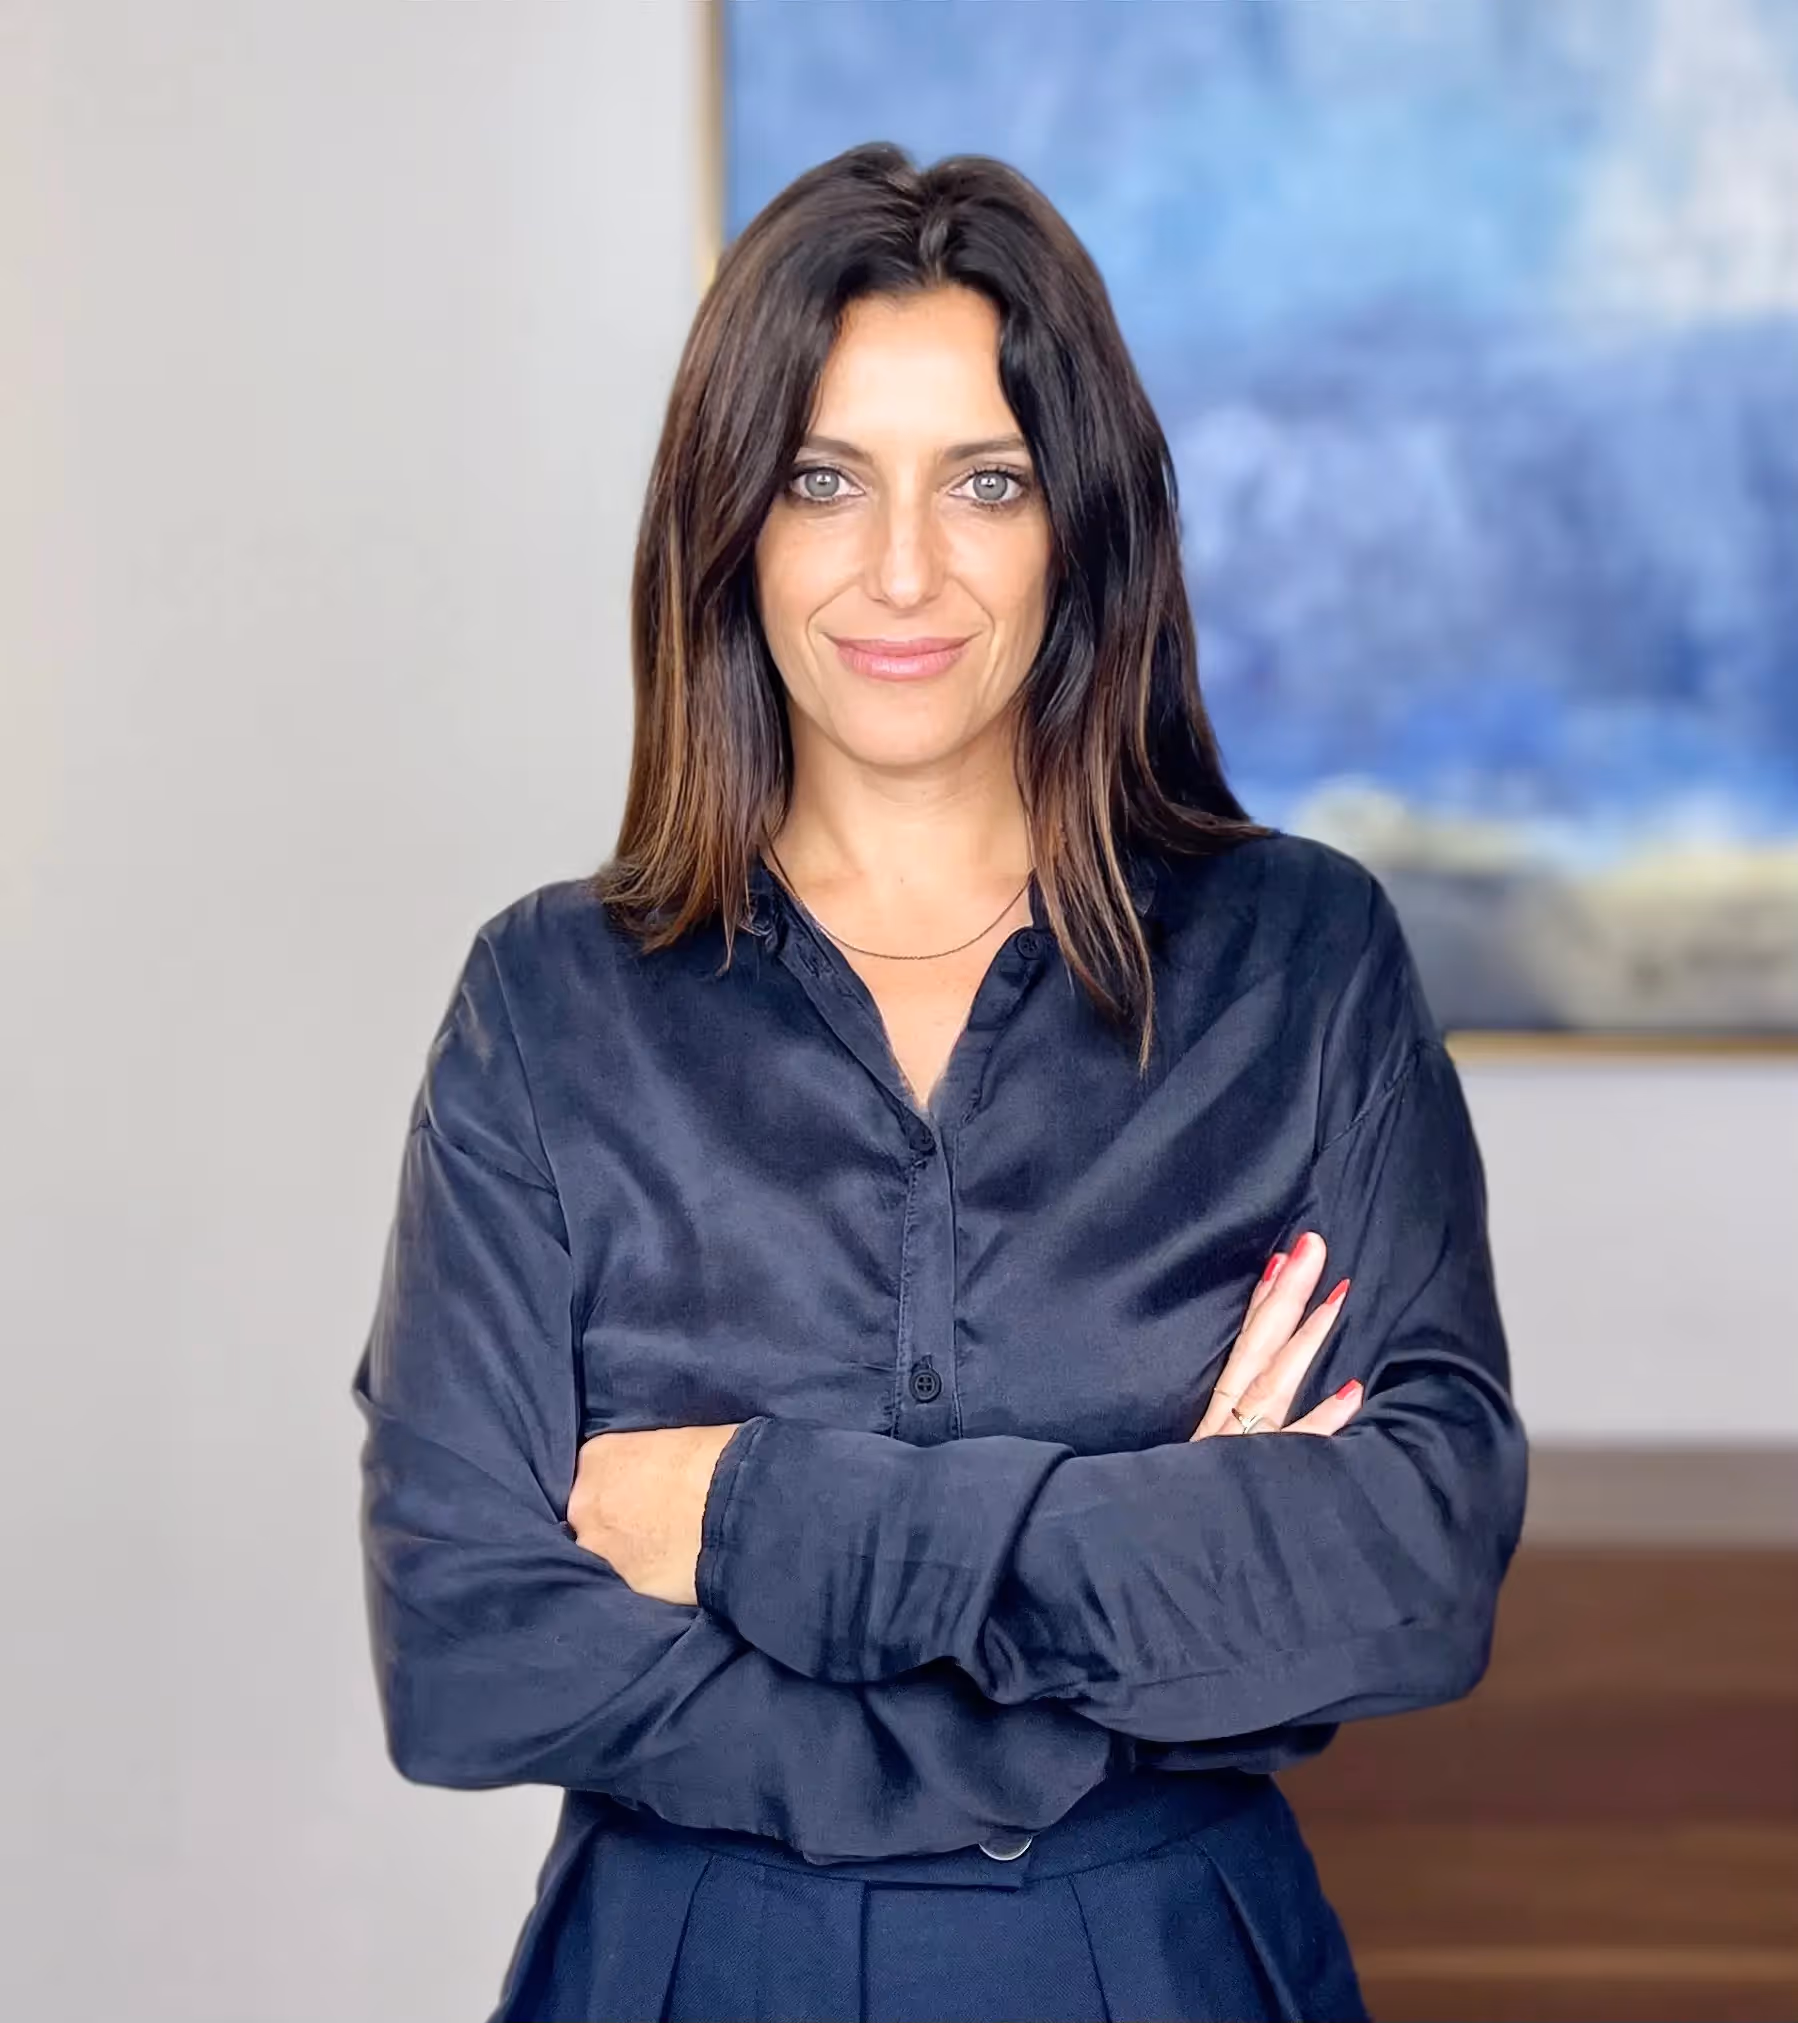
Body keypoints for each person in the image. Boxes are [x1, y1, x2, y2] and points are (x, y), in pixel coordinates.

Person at [351, 141, 1527, 2023]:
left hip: (1160, 1963)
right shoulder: (547, 1004)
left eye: (985, 481)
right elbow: (472, 1651)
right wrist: (1115, 1624)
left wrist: (742, 1512)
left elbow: (1405, 1568)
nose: (901, 569)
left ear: (1082, 526)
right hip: (689, 1967)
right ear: (730, 520)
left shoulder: (1299, 964)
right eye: (825, 479)